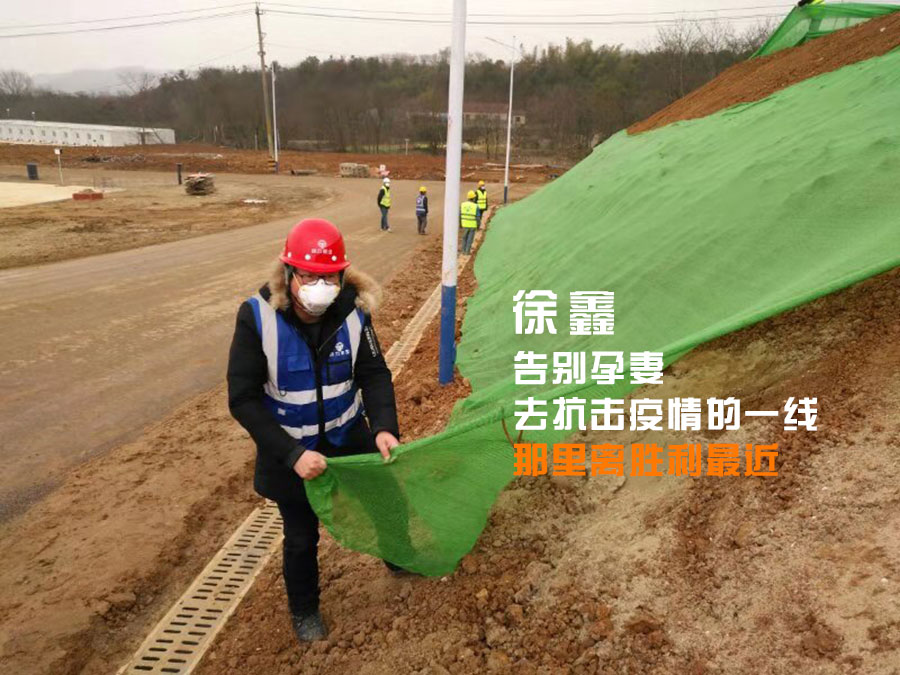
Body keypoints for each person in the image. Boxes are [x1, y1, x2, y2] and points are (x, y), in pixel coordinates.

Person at [227, 218, 404, 643]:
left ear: (342, 276)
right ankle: (305, 610)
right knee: (301, 536)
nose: (320, 286)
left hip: (348, 434)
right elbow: (243, 398)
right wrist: (292, 455)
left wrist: (383, 427)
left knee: (387, 498)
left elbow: (374, 374)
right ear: (289, 274)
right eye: (309, 276)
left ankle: (399, 557)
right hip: (291, 448)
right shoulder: (258, 317)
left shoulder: (354, 312)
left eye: (329, 277)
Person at [460, 190, 479, 255]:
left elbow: (460, 215)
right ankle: (467, 251)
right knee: (470, 239)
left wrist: (460, 224)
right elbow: (478, 217)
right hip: (472, 225)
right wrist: (478, 225)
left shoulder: (462, 205)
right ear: (473, 198)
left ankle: (463, 251)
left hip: (465, 224)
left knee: (464, 238)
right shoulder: (476, 206)